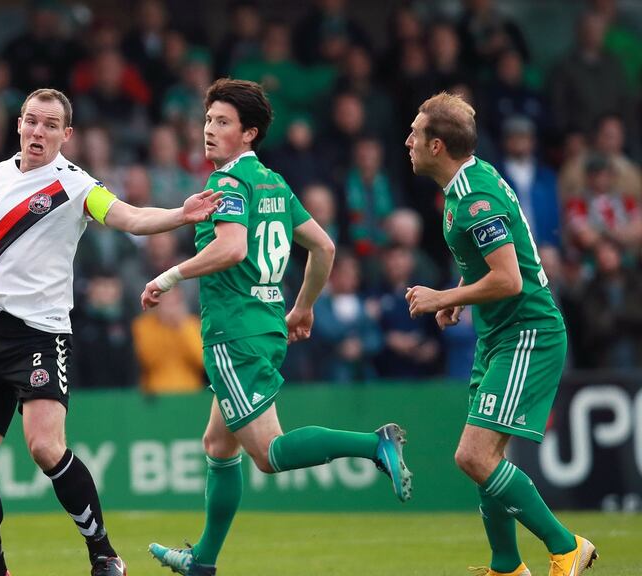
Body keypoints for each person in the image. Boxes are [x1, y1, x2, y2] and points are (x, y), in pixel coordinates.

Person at [142, 79, 411, 576]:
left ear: (249, 133)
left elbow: (232, 248)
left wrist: (169, 276)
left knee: (268, 454)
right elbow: (324, 248)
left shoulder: (227, 183)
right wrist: (303, 308)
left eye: (222, 122)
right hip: (266, 326)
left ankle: (374, 443)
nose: (209, 130)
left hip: (233, 333)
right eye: (207, 120)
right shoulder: (274, 182)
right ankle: (202, 560)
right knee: (218, 445)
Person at [0, 88, 221, 576]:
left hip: (41, 333)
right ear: (18, 124)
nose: (38, 131)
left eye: (50, 125)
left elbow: (130, 218)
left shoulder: (74, 185)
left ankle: (104, 554)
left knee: (44, 446)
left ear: (66, 135)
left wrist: (181, 213)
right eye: (32, 121)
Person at [404, 92, 596, 576]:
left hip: (527, 333)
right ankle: (507, 567)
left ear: (437, 146)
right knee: (486, 456)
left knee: (472, 456)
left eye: (415, 132)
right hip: (498, 335)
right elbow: (489, 269)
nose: (407, 139)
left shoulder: (474, 197)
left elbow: (510, 278)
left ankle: (567, 545)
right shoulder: (463, 185)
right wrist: (464, 295)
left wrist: (443, 297)